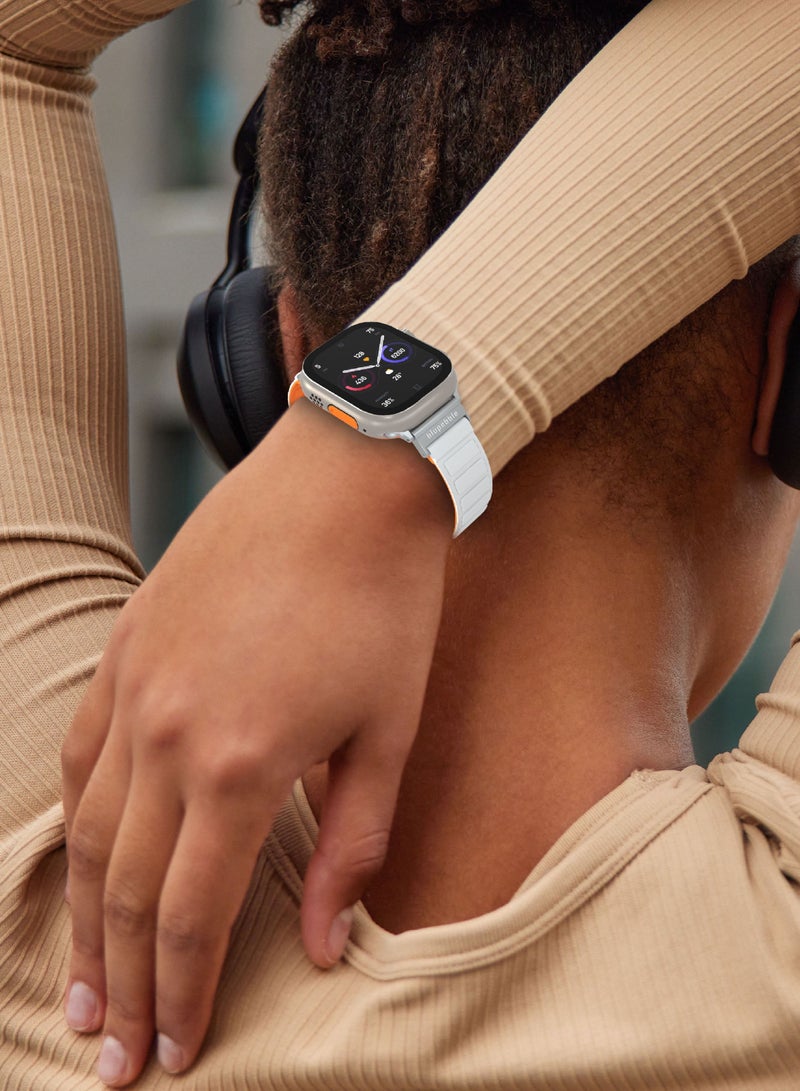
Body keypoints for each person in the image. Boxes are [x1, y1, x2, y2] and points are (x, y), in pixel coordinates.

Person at [0, 0, 799, 1087]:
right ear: (787, 373)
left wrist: (376, 416)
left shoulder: (42, 902)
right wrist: (382, 427)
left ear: (275, 349)